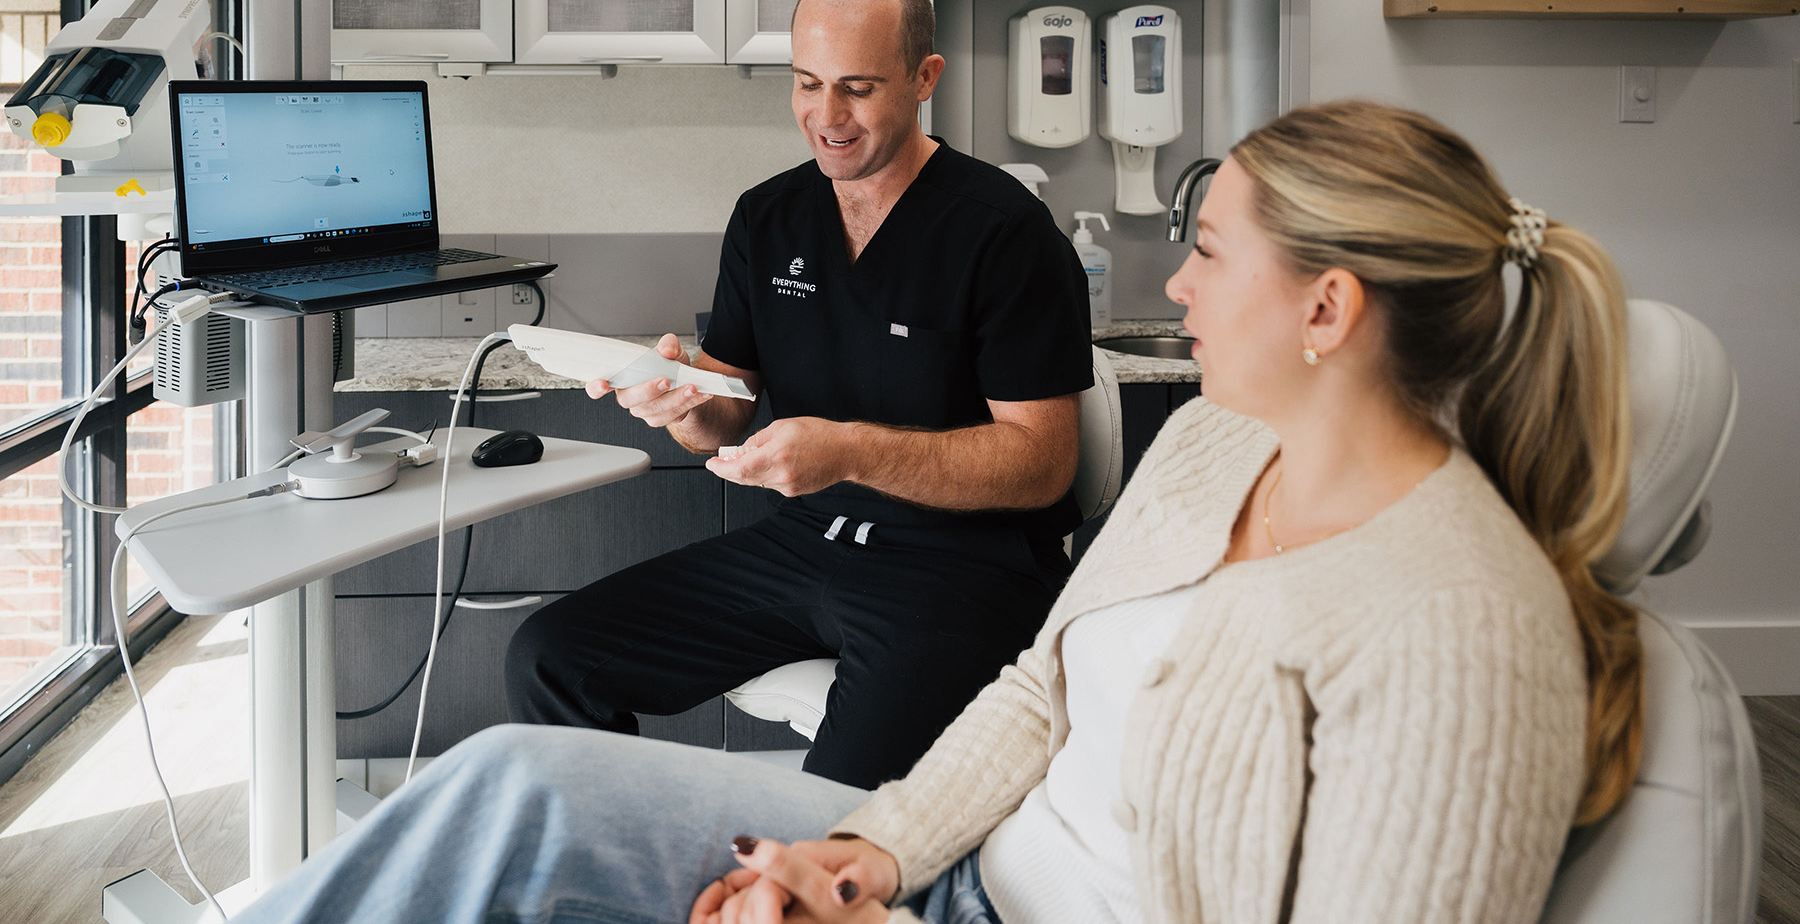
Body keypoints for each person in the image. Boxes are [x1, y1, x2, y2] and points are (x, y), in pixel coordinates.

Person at [235, 100, 1641, 924]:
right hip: (952, 861)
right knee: (505, 782)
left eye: (1210, 253)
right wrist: (864, 856)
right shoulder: (1219, 443)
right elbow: (1042, 693)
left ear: (1329, 308)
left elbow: (1028, 471)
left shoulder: (1463, 636)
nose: (1184, 289)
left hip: (956, 684)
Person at [504, 0, 1094, 790]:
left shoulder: (1003, 232)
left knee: (833, 807)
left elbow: (1042, 463)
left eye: (857, 87)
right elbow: (723, 413)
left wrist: (851, 451)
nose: (827, 117)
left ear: (925, 78)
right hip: (804, 543)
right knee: (550, 656)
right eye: (807, 84)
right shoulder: (768, 216)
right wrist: (676, 397)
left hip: (963, 567)